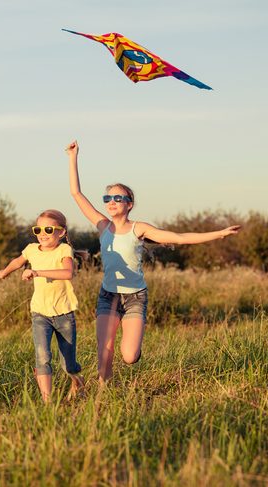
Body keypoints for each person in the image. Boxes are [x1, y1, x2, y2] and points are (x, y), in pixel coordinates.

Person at [66, 140, 240, 384]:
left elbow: (179, 238)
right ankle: (103, 394)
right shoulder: (102, 226)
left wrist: (219, 234)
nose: (111, 201)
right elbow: (76, 194)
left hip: (135, 297)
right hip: (108, 296)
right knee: (104, 351)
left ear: (130, 204)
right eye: (108, 197)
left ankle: (134, 350)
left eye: (118, 197)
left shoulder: (140, 228)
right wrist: (73, 157)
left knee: (128, 356)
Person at [0, 209, 85, 403]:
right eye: (38, 229)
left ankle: (77, 380)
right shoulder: (31, 249)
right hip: (40, 313)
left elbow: (68, 273)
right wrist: (5, 271)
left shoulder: (63, 250)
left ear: (61, 232)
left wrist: (37, 272)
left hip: (63, 313)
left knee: (68, 364)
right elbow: (18, 261)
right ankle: (48, 402)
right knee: (42, 356)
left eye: (48, 229)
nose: (42, 234)